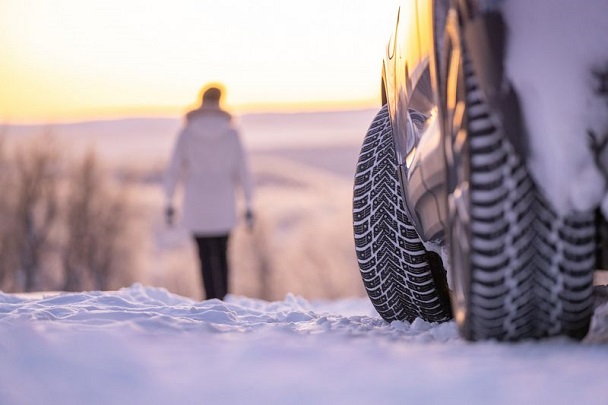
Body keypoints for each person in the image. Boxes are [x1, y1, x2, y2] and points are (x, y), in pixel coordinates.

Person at [164, 84, 254, 300]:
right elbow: (243, 170)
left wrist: (169, 201)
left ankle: (210, 300)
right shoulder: (231, 133)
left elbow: (174, 169)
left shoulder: (186, 132)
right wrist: (249, 204)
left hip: (196, 202)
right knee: (222, 254)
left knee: (204, 256)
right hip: (224, 202)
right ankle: (223, 300)